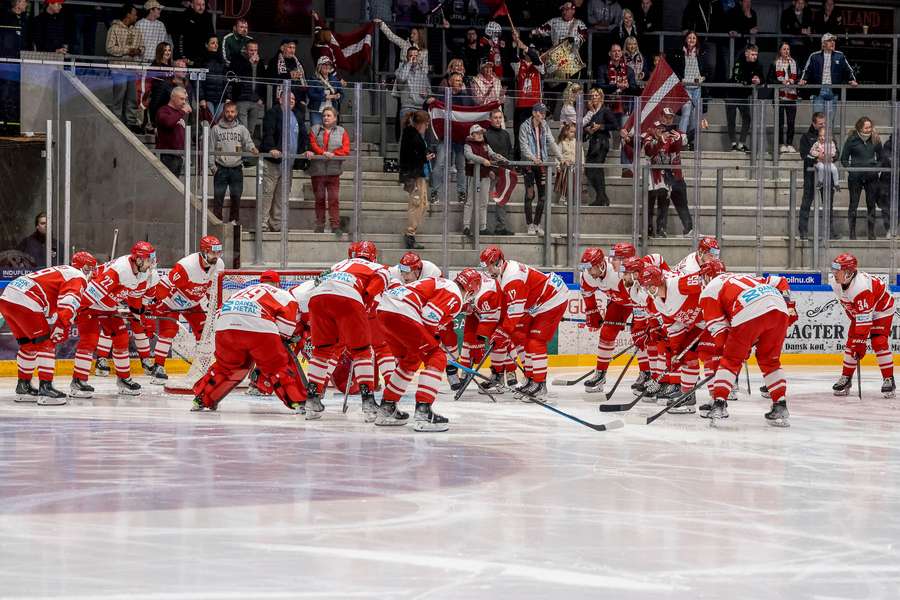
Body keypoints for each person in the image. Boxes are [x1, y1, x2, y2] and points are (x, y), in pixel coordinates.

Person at [191, 271, 308, 413]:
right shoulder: (283, 294)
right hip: (258, 327)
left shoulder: (243, 291)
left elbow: (219, 315)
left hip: (225, 327)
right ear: (278, 283)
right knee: (277, 366)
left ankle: (201, 399)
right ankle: (297, 402)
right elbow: (285, 331)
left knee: (226, 367)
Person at [698, 259, 792, 426]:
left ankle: (719, 404)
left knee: (730, 360)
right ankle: (780, 405)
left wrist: (734, 352)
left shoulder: (709, 290)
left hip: (748, 310)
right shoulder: (741, 276)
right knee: (770, 361)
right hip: (779, 307)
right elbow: (781, 281)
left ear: (706, 276)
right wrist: (788, 303)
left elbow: (720, 337)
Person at [305, 242, 390, 423]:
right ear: (373, 256)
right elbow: (369, 292)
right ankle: (368, 402)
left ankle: (312, 400)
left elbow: (320, 280)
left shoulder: (340, 264)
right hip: (349, 298)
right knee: (362, 351)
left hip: (317, 297)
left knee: (322, 350)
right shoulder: (381, 268)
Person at [375, 273, 469, 431]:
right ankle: (423, 413)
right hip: (403, 313)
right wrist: (433, 341)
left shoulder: (440, 282)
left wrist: (431, 338)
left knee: (410, 360)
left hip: (384, 312)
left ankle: (387, 408)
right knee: (437, 357)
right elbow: (429, 317)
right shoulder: (454, 293)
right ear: (471, 290)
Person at [0, 251, 95, 404]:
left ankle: (23, 387)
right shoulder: (78, 277)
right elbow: (69, 302)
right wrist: (62, 325)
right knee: (45, 344)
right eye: (91, 269)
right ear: (85, 268)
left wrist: (61, 322)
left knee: (28, 344)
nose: (92, 274)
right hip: (26, 300)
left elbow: (52, 304)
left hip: (7, 298)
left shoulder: (63, 270)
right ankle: (46, 388)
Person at [480, 245, 569, 400]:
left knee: (536, 341)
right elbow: (508, 307)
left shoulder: (512, 278)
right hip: (539, 304)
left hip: (552, 299)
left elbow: (514, 313)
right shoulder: (503, 274)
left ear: (498, 262)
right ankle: (530, 379)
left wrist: (503, 332)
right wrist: (501, 329)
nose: (488, 272)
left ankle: (540, 384)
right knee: (525, 340)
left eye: (489, 267)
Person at [70, 242, 156, 398]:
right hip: (90, 303)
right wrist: (75, 311)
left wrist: (140, 317)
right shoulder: (120, 270)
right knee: (89, 340)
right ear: (138, 259)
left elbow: (135, 300)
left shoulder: (143, 273)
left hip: (109, 306)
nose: (151, 264)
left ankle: (123, 379)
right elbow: (91, 293)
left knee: (121, 338)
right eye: (149, 260)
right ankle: (78, 382)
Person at [149, 236, 223, 382]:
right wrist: (154, 305)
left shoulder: (219, 265)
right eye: (212, 253)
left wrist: (213, 306)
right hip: (171, 303)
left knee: (205, 334)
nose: (216, 256)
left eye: (218, 253)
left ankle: (203, 366)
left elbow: (212, 288)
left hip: (193, 303)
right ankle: (158, 367)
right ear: (203, 251)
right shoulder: (187, 266)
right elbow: (165, 286)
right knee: (168, 332)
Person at [829, 253, 895, 399]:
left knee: (878, 341)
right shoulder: (835, 282)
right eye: (833, 269)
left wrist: (860, 342)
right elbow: (848, 305)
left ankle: (889, 379)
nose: (834, 273)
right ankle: (846, 378)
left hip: (881, 308)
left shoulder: (860, 288)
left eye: (837, 270)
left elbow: (864, 320)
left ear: (848, 272)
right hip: (862, 310)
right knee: (851, 342)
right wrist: (857, 341)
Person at [260, 91, 310, 233]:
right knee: (267, 193)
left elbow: (303, 137)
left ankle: (277, 224)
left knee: (282, 196)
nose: (292, 101)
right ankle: (262, 224)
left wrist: (306, 150)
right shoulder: (273, 113)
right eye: (289, 98)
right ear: (281, 100)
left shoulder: (297, 116)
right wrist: (271, 148)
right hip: (273, 162)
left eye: (294, 98)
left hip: (289, 164)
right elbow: (268, 132)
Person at [209, 101, 257, 224]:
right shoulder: (215, 129)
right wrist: (213, 167)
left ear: (236, 113)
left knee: (236, 197)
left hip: (236, 168)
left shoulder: (241, 129)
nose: (230, 114)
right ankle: (217, 221)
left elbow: (248, 143)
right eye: (227, 111)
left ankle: (234, 221)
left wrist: (252, 148)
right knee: (218, 198)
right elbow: (210, 149)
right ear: (223, 112)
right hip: (221, 168)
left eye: (232, 111)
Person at [519, 102, 563, 236]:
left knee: (543, 196)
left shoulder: (545, 126)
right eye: (540, 112)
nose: (543, 115)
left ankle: (537, 224)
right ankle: (529, 224)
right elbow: (523, 146)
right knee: (530, 195)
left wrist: (561, 158)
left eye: (544, 113)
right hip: (529, 165)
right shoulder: (524, 126)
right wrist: (533, 158)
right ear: (534, 113)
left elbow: (552, 143)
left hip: (542, 164)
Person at [430, 72, 472, 205]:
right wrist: (429, 101)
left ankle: (461, 193)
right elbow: (430, 108)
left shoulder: (467, 97)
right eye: (456, 80)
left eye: (461, 80)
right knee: (439, 165)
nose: (459, 83)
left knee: (461, 166)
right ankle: (435, 192)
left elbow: (476, 109)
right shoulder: (442, 97)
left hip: (460, 139)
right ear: (449, 82)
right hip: (445, 137)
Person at [799, 33, 857, 129]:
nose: (832, 43)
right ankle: (818, 143)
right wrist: (803, 79)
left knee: (830, 121)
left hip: (833, 91)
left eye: (833, 41)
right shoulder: (814, 56)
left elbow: (848, 69)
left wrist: (852, 79)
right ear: (823, 43)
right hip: (819, 90)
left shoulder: (840, 55)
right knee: (818, 120)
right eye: (830, 41)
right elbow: (807, 70)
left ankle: (829, 143)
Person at [308, 106, 351, 234]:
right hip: (318, 171)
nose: (325, 118)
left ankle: (335, 225)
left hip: (333, 171)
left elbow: (346, 149)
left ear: (335, 118)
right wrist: (323, 153)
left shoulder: (342, 131)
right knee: (319, 199)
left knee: (334, 200)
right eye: (324, 115)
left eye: (329, 115)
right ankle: (320, 224)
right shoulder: (315, 129)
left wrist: (333, 154)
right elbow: (312, 144)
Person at [840, 117, 882, 240]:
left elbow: (881, 158)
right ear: (860, 128)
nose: (869, 130)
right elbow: (844, 159)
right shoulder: (852, 140)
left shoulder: (875, 139)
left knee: (871, 205)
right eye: (866, 127)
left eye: (870, 127)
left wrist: (876, 169)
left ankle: (871, 233)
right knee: (853, 204)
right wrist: (852, 171)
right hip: (855, 178)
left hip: (871, 177)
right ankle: (852, 233)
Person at [105, 3, 144, 132]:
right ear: (128, 14)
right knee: (119, 96)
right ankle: (116, 122)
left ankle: (131, 122)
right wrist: (128, 50)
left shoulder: (136, 31)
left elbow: (142, 47)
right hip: (118, 69)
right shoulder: (114, 29)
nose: (136, 16)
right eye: (134, 13)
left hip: (132, 69)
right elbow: (110, 48)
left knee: (132, 97)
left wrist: (138, 50)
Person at [398, 110, 432, 250]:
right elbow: (410, 156)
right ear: (420, 124)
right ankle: (409, 234)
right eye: (426, 124)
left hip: (418, 174)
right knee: (417, 204)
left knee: (423, 204)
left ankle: (412, 232)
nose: (427, 127)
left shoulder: (414, 134)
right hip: (413, 175)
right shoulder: (410, 134)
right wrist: (425, 158)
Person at [463, 124, 504, 237]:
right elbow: (469, 155)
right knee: (470, 201)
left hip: (485, 175)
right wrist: (483, 160)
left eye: (481, 133)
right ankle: (466, 226)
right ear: (472, 134)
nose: (480, 135)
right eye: (477, 133)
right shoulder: (468, 145)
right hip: (473, 176)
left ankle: (483, 227)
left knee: (484, 202)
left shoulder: (485, 144)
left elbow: (491, 154)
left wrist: (498, 157)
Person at [670, 31, 710, 147]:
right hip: (685, 87)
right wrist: (679, 79)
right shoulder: (679, 53)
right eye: (689, 38)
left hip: (697, 87)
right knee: (686, 110)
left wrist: (703, 77)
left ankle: (691, 141)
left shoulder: (700, 53)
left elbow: (707, 69)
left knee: (695, 115)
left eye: (694, 38)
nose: (692, 40)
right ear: (686, 39)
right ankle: (681, 135)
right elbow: (675, 69)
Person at [725, 44, 762, 153]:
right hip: (731, 94)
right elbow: (739, 77)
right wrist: (752, 79)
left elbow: (762, 77)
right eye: (752, 54)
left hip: (743, 96)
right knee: (731, 119)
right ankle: (733, 144)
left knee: (747, 118)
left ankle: (741, 144)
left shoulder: (758, 64)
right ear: (747, 53)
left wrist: (759, 80)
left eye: (756, 54)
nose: (755, 57)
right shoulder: (739, 62)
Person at [798, 111, 829, 240]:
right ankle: (803, 231)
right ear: (813, 123)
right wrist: (816, 157)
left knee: (827, 203)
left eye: (824, 123)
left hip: (826, 174)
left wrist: (832, 156)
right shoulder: (806, 137)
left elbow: (836, 152)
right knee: (806, 202)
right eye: (820, 124)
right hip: (810, 175)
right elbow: (804, 155)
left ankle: (829, 231)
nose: (823, 126)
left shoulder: (829, 135)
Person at [583, 88, 617, 206]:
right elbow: (586, 125)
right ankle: (603, 198)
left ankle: (601, 198)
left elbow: (614, 125)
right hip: (593, 142)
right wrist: (588, 129)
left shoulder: (605, 110)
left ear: (601, 97)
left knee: (596, 169)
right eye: (592, 96)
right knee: (590, 170)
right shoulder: (591, 111)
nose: (593, 98)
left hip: (602, 143)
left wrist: (601, 127)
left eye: (596, 95)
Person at [510, 35, 544, 151]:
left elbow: (535, 57)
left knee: (536, 135)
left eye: (535, 51)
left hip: (535, 107)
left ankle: (536, 163)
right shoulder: (519, 65)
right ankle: (519, 162)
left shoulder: (540, 65)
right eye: (530, 50)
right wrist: (515, 43)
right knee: (519, 135)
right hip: (521, 106)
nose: (532, 53)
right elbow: (513, 58)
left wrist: (524, 46)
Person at [484, 108, 514, 235]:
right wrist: (489, 170)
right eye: (495, 117)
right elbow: (484, 153)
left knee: (502, 200)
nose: (498, 120)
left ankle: (500, 227)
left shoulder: (506, 134)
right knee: (484, 200)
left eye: (499, 117)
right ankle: (481, 227)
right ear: (490, 119)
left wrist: (510, 168)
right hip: (489, 173)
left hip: (504, 172)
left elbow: (510, 151)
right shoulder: (485, 134)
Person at [231, 40, 264, 144]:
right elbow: (237, 74)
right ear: (245, 50)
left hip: (255, 100)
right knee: (242, 128)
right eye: (251, 50)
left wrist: (262, 98)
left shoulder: (260, 62)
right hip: (242, 99)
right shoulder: (238, 59)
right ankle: (241, 155)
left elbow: (263, 80)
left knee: (251, 130)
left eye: (256, 50)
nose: (254, 53)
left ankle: (246, 154)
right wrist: (249, 62)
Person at [768, 41, 799, 154]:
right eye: (784, 49)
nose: (786, 51)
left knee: (791, 122)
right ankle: (781, 144)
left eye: (788, 49)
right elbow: (770, 80)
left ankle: (790, 144)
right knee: (780, 123)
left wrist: (792, 80)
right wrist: (781, 82)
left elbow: (798, 77)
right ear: (780, 51)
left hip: (791, 97)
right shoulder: (774, 63)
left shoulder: (794, 63)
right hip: (779, 97)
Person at [597, 44, 638, 127]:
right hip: (607, 107)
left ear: (621, 53)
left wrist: (627, 86)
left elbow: (635, 89)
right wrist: (616, 86)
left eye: (619, 51)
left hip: (624, 108)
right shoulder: (602, 68)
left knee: (623, 132)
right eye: (614, 51)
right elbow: (600, 87)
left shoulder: (629, 70)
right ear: (609, 53)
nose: (617, 53)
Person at [155, 85, 191, 176]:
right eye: (181, 99)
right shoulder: (163, 110)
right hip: (167, 155)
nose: (184, 102)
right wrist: (182, 112)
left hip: (178, 155)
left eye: (185, 99)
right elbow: (168, 123)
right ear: (172, 98)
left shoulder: (179, 113)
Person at [394, 46, 431, 126]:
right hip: (406, 108)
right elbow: (401, 78)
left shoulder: (422, 72)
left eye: (416, 56)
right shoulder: (400, 70)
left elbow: (429, 90)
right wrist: (409, 63)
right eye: (411, 56)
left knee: (420, 135)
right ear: (407, 57)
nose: (414, 58)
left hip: (420, 108)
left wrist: (426, 94)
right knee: (406, 135)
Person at [266, 39, 308, 103]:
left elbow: (303, 82)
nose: (292, 50)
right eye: (290, 47)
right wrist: (289, 75)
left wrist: (303, 100)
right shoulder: (274, 62)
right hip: (280, 99)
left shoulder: (298, 63)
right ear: (282, 48)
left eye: (294, 48)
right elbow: (271, 79)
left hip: (297, 100)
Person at [307, 56, 343, 128]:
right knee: (316, 132)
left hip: (331, 111)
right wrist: (325, 97)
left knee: (331, 134)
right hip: (316, 111)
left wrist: (339, 96)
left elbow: (341, 93)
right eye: (324, 64)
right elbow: (310, 94)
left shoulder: (335, 79)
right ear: (319, 66)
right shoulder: (313, 79)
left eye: (328, 65)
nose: (327, 66)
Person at [173, 0, 213, 65]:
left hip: (202, 57)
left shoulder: (208, 17)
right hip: (187, 56)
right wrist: (182, 56)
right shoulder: (184, 16)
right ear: (192, 5)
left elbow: (211, 36)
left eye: (203, 5)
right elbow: (177, 38)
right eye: (198, 5)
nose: (201, 7)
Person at [198, 35, 227, 121]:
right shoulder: (202, 60)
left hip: (221, 98)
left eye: (217, 43)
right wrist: (201, 98)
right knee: (209, 122)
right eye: (213, 43)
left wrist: (227, 97)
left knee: (217, 123)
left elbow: (226, 80)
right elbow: (198, 82)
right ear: (207, 45)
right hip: (207, 98)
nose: (216, 45)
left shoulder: (221, 60)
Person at [555, 121, 580, 205]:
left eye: (574, 132)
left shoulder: (576, 142)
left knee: (573, 183)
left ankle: (572, 199)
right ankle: (563, 197)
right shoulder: (562, 142)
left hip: (574, 167)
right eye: (571, 132)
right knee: (565, 182)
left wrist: (582, 164)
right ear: (566, 132)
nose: (573, 134)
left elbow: (581, 154)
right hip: (564, 167)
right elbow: (557, 155)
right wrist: (558, 166)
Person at [811, 126, 839, 193]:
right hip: (820, 161)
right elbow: (811, 151)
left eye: (824, 136)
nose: (822, 138)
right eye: (820, 136)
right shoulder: (817, 143)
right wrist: (818, 154)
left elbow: (834, 151)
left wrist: (830, 155)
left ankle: (836, 184)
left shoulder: (831, 143)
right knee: (821, 167)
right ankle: (820, 181)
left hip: (828, 161)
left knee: (834, 169)